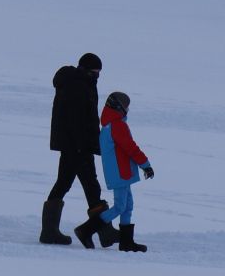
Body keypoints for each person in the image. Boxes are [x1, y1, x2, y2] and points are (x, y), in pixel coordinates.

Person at [44, 53, 111, 247]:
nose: (97, 75)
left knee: (75, 184)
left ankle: (103, 232)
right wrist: (83, 145)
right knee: (84, 185)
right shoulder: (78, 85)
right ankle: (101, 231)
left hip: (76, 144)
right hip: (78, 145)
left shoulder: (79, 82)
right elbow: (77, 120)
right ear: (85, 70)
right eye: (95, 72)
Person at [89, 90, 152, 252]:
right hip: (121, 172)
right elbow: (130, 147)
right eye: (126, 107)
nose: (128, 110)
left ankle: (126, 241)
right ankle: (86, 230)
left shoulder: (109, 125)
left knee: (128, 205)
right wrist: (145, 164)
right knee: (120, 206)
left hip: (121, 172)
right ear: (119, 108)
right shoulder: (117, 125)